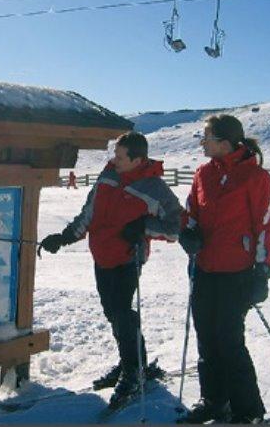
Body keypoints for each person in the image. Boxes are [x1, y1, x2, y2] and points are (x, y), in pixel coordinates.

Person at [39, 131, 182, 407]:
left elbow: (174, 228)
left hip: (128, 258)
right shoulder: (107, 177)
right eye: (114, 154)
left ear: (137, 159)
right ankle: (134, 363)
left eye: (119, 156)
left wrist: (144, 227)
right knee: (113, 313)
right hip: (101, 256)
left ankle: (132, 372)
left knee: (122, 313)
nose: (113, 160)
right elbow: (88, 214)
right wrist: (65, 237)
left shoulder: (154, 188)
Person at [177, 114, 270, 424]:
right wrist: (187, 233)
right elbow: (191, 212)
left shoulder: (255, 177)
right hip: (205, 268)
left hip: (238, 272)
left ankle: (248, 410)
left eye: (206, 137)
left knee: (229, 340)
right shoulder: (203, 173)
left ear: (224, 142)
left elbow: (264, 226)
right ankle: (214, 401)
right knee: (206, 337)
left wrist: (262, 270)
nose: (202, 142)